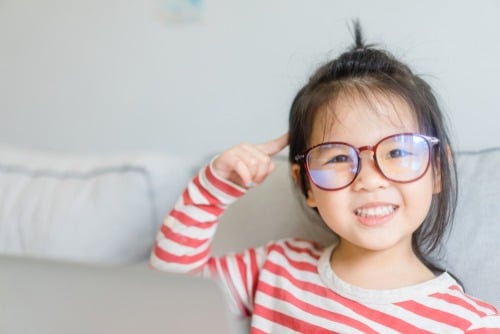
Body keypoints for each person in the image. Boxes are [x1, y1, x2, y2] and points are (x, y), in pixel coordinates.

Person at [150, 22, 500, 332]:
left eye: (396, 151)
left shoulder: (471, 324)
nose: (369, 179)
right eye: (337, 157)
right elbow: (166, 300)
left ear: (436, 170)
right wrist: (210, 192)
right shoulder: (277, 268)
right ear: (307, 185)